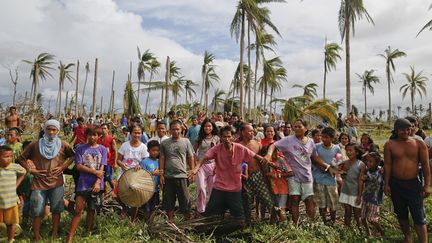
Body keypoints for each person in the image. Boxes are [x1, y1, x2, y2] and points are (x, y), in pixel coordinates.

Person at [265, 119, 339, 225]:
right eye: (295, 126)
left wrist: (327, 167)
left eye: (299, 126)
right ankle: (296, 224)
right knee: (294, 200)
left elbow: (315, 157)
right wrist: (268, 155)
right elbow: (274, 145)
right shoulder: (288, 140)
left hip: (307, 176)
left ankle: (311, 223)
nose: (296, 128)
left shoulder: (310, 142)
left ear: (305, 129)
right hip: (293, 176)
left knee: (310, 200)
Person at [190, 126, 268, 224]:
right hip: (219, 187)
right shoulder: (217, 148)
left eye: (228, 136)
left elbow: (255, 156)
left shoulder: (240, 148)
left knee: (239, 219)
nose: (226, 139)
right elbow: (204, 158)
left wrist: (269, 162)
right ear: (221, 138)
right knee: (211, 216)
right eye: (224, 137)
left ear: (232, 137)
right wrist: (196, 168)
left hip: (235, 188)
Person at [18, 119, 75, 241]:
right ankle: (36, 235)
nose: (51, 132)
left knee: (56, 209)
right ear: (44, 130)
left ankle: (54, 233)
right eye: (48, 129)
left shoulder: (63, 145)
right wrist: (31, 170)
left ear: (58, 131)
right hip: (39, 183)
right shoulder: (35, 144)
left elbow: (73, 156)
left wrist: (63, 167)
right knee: (37, 210)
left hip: (56, 182)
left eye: (54, 129)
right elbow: (21, 158)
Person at [384, 118, 430, 243]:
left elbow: (426, 165)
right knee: (401, 213)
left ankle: (424, 241)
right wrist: (386, 184)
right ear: (396, 130)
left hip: (413, 183)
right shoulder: (390, 144)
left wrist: (427, 186)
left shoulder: (419, 144)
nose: (406, 132)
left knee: (419, 215)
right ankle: (408, 237)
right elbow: (387, 165)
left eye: (408, 129)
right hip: (396, 184)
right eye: (402, 130)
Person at [67, 127, 107, 243]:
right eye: (90, 134)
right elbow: (79, 166)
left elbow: (102, 168)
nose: (92, 137)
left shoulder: (103, 149)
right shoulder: (80, 149)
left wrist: (98, 182)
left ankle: (88, 231)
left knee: (91, 208)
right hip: (83, 183)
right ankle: (70, 236)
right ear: (86, 135)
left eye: (95, 135)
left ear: (99, 136)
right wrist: (95, 172)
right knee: (79, 209)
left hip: (96, 183)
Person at [238, 123, 276, 222]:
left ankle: (273, 220)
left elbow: (262, 161)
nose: (252, 132)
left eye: (253, 131)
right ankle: (247, 221)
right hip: (244, 177)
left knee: (267, 198)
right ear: (243, 132)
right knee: (246, 200)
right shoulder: (238, 146)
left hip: (257, 174)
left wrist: (264, 175)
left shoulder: (257, 144)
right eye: (249, 131)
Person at [159, 120, 195, 221]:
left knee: (185, 200)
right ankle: (170, 222)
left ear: (181, 129)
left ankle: (188, 222)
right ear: (169, 130)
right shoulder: (164, 143)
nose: (176, 131)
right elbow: (162, 158)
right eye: (173, 129)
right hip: (168, 176)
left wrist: (192, 171)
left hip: (182, 176)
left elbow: (190, 157)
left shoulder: (186, 141)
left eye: (178, 129)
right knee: (169, 201)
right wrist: (161, 174)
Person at [116, 125, 149, 221]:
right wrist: (122, 165)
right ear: (131, 133)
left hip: (136, 175)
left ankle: (132, 220)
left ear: (142, 134)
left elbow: (146, 161)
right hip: (124, 173)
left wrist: (140, 165)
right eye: (135, 132)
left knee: (135, 198)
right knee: (117, 194)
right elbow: (118, 160)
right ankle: (125, 208)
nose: (137, 135)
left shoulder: (143, 147)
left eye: (139, 133)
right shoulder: (125, 145)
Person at [313, 127, 341, 225]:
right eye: (322, 137)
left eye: (326, 137)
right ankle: (324, 221)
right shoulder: (317, 147)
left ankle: (332, 221)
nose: (323, 139)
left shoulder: (336, 148)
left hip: (331, 179)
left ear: (332, 138)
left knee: (333, 202)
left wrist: (335, 171)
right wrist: (324, 168)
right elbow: (314, 160)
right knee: (321, 202)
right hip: (318, 178)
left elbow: (339, 162)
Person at [0, 145, 26, 242]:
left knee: (10, 223)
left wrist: (16, 184)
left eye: (11, 156)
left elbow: (24, 172)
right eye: (6, 156)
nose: (9, 159)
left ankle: (11, 239)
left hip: (11, 202)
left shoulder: (15, 167)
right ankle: (5, 235)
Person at [194, 118, 219, 214]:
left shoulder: (216, 138)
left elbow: (219, 153)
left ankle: (212, 208)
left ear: (212, 127)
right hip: (201, 165)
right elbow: (193, 152)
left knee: (212, 189)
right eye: (205, 126)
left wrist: (217, 166)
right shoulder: (199, 138)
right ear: (203, 127)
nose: (207, 128)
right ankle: (201, 209)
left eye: (209, 126)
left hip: (213, 165)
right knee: (201, 188)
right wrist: (194, 166)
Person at [262, 146, 293, 222]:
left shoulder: (281, 160)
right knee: (276, 208)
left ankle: (286, 226)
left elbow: (291, 173)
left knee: (281, 208)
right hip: (273, 188)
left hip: (282, 188)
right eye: (273, 152)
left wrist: (278, 175)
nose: (275, 153)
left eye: (276, 151)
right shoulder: (267, 162)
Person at [339, 143, 365, 227]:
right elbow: (340, 175)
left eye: (350, 150)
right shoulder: (345, 163)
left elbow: (361, 181)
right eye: (347, 150)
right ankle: (347, 230)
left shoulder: (361, 165)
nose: (348, 152)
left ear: (357, 152)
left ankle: (360, 230)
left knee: (357, 214)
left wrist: (359, 195)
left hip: (355, 192)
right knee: (347, 212)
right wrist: (342, 172)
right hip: (345, 191)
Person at [361, 152, 385, 238]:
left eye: (371, 161)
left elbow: (375, 179)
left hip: (375, 199)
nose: (368, 163)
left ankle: (381, 231)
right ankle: (368, 233)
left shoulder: (380, 171)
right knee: (363, 217)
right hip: (366, 197)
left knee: (372, 219)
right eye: (367, 161)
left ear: (377, 163)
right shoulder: (366, 170)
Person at [139, 140, 161, 223]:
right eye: (153, 150)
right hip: (146, 190)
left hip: (155, 189)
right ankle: (146, 223)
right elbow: (141, 176)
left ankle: (151, 223)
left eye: (157, 150)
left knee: (153, 207)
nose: (155, 152)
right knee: (146, 208)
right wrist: (152, 173)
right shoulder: (144, 162)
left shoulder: (159, 162)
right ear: (148, 150)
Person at [97, 123, 117, 190]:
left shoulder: (111, 139)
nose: (103, 130)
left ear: (108, 129)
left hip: (109, 162)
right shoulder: (98, 139)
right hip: (100, 162)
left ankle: (115, 191)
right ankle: (104, 193)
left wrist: (115, 163)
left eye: (105, 128)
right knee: (101, 178)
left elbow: (115, 151)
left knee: (109, 178)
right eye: (102, 128)